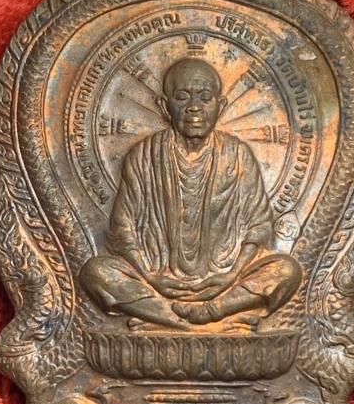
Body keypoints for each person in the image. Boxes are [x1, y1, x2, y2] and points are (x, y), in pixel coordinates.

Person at [80, 57, 301, 329]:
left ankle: (214, 310)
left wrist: (231, 275)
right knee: (96, 272)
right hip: (157, 281)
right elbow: (122, 229)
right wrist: (150, 276)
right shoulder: (144, 156)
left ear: (221, 106)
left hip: (226, 282)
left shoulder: (238, 155)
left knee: (286, 271)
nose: (194, 107)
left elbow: (259, 226)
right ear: (165, 107)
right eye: (182, 97)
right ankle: (173, 318)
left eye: (205, 97)